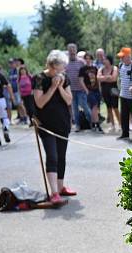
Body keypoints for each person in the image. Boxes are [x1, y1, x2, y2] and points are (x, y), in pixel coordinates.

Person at [33, 50, 74, 204]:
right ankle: (54, 193)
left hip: (62, 123)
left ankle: (61, 186)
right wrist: (52, 87)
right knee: (52, 156)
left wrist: (60, 87)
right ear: (52, 66)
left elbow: (69, 100)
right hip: (46, 125)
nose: (63, 70)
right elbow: (40, 103)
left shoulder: (65, 79)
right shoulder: (39, 78)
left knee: (62, 156)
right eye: (61, 67)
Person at [65, 44, 92, 132]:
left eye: (73, 49)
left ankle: (92, 122)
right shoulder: (65, 62)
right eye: (70, 50)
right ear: (68, 51)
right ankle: (77, 125)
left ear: (76, 50)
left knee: (85, 106)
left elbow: (87, 73)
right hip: (71, 89)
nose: (72, 51)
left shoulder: (81, 62)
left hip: (81, 89)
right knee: (74, 109)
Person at [79, 53, 104, 132]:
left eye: (89, 58)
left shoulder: (95, 68)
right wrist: (86, 90)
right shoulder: (82, 69)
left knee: (96, 107)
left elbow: (98, 79)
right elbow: (81, 80)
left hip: (96, 89)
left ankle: (93, 123)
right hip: (89, 90)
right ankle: (97, 124)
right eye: (86, 58)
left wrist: (100, 89)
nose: (88, 60)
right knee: (94, 106)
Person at [116, 47, 132, 141]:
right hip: (123, 95)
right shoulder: (121, 65)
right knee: (124, 115)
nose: (121, 58)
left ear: (128, 57)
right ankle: (125, 133)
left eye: (122, 57)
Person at [98, 54, 120, 133]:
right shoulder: (101, 69)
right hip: (105, 90)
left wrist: (104, 78)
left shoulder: (114, 68)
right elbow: (99, 78)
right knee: (109, 108)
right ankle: (113, 125)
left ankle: (120, 124)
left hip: (113, 90)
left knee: (115, 107)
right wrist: (107, 77)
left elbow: (114, 78)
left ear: (109, 60)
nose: (104, 61)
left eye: (105, 59)